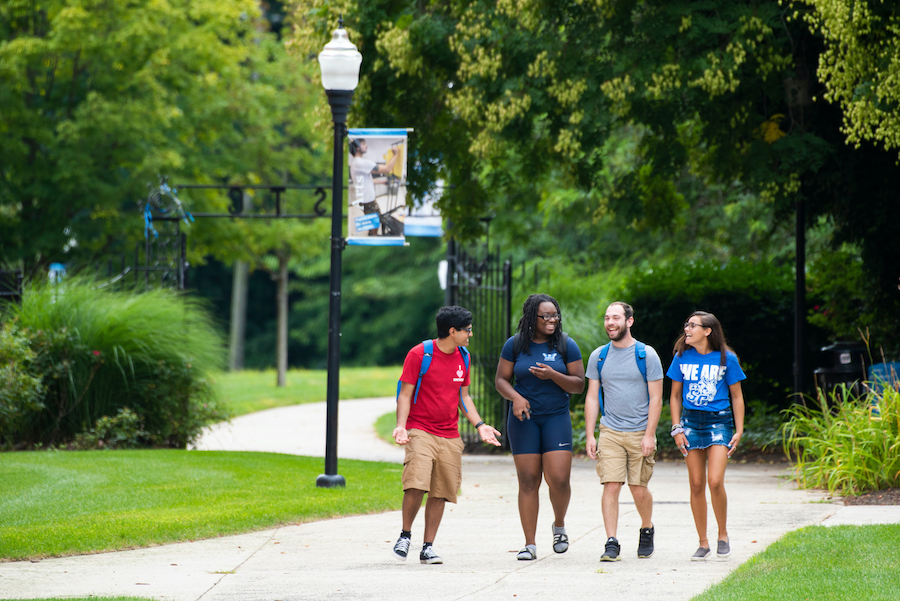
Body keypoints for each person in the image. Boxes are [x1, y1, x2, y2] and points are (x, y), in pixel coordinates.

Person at [392, 305, 502, 564]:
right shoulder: (420, 354)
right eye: (468, 330)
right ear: (452, 331)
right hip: (420, 429)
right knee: (417, 483)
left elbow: (463, 397)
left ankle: (427, 546)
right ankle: (405, 535)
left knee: (440, 490)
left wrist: (480, 425)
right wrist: (400, 425)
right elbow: (405, 393)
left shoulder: (464, 356)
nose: (470, 335)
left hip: (450, 433)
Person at [495, 293, 585, 560]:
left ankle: (559, 525)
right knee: (528, 480)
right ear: (531, 317)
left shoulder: (566, 345)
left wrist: (553, 375)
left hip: (556, 417)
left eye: (555, 315)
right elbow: (501, 380)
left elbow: (579, 384)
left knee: (558, 479)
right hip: (524, 420)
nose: (552, 320)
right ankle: (530, 544)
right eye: (545, 316)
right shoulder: (515, 345)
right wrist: (516, 397)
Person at [584, 301, 664, 561]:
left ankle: (646, 527)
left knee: (638, 488)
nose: (610, 322)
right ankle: (611, 542)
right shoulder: (599, 355)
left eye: (616, 317)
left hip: (640, 430)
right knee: (611, 485)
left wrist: (650, 434)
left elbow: (656, 398)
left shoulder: (647, 355)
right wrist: (590, 434)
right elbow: (593, 397)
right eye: (607, 318)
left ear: (629, 321)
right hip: (610, 431)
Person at [667, 310, 745, 561]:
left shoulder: (726, 358)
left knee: (714, 481)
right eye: (686, 325)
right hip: (690, 422)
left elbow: (737, 396)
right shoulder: (681, 357)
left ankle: (723, 534)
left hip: (719, 421)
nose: (687, 329)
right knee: (697, 483)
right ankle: (703, 542)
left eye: (693, 326)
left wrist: (739, 429)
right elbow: (675, 396)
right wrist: (677, 427)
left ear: (708, 331)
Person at [349, 138, 402, 236]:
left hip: (365, 199)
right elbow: (387, 169)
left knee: (371, 219)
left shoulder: (356, 163)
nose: (366, 146)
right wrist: (396, 154)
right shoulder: (361, 162)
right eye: (363, 144)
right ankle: (373, 236)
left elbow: (368, 180)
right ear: (357, 148)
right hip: (368, 200)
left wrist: (382, 182)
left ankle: (371, 233)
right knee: (376, 221)